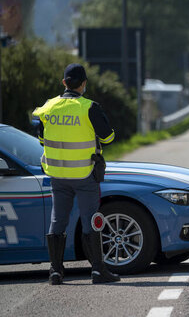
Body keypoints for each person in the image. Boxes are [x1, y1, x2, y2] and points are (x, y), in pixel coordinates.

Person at [32, 63, 120, 285]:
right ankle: (98, 271)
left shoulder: (48, 107)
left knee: (57, 219)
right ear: (84, 84)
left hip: (57, 175)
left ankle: (55, 272)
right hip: (84, 174)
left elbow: (42, 139)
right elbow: (108, 138)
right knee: (91, 219)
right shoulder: (89, 107)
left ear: (64, 83)